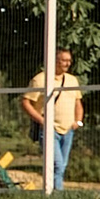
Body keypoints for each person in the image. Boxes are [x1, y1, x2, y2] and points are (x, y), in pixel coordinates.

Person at [23, 48, 82, 188]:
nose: (67, 64)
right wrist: (42, 120)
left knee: (62, 165)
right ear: (55, 61)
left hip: (68, 130)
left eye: (69, 61)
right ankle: (56, 197)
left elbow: (78, 103)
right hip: (50, 130)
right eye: (64, 60)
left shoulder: (72, 80)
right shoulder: (41, 79)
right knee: (57, 165)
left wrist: (78, 121)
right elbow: (26, 102)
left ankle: (53, 193)